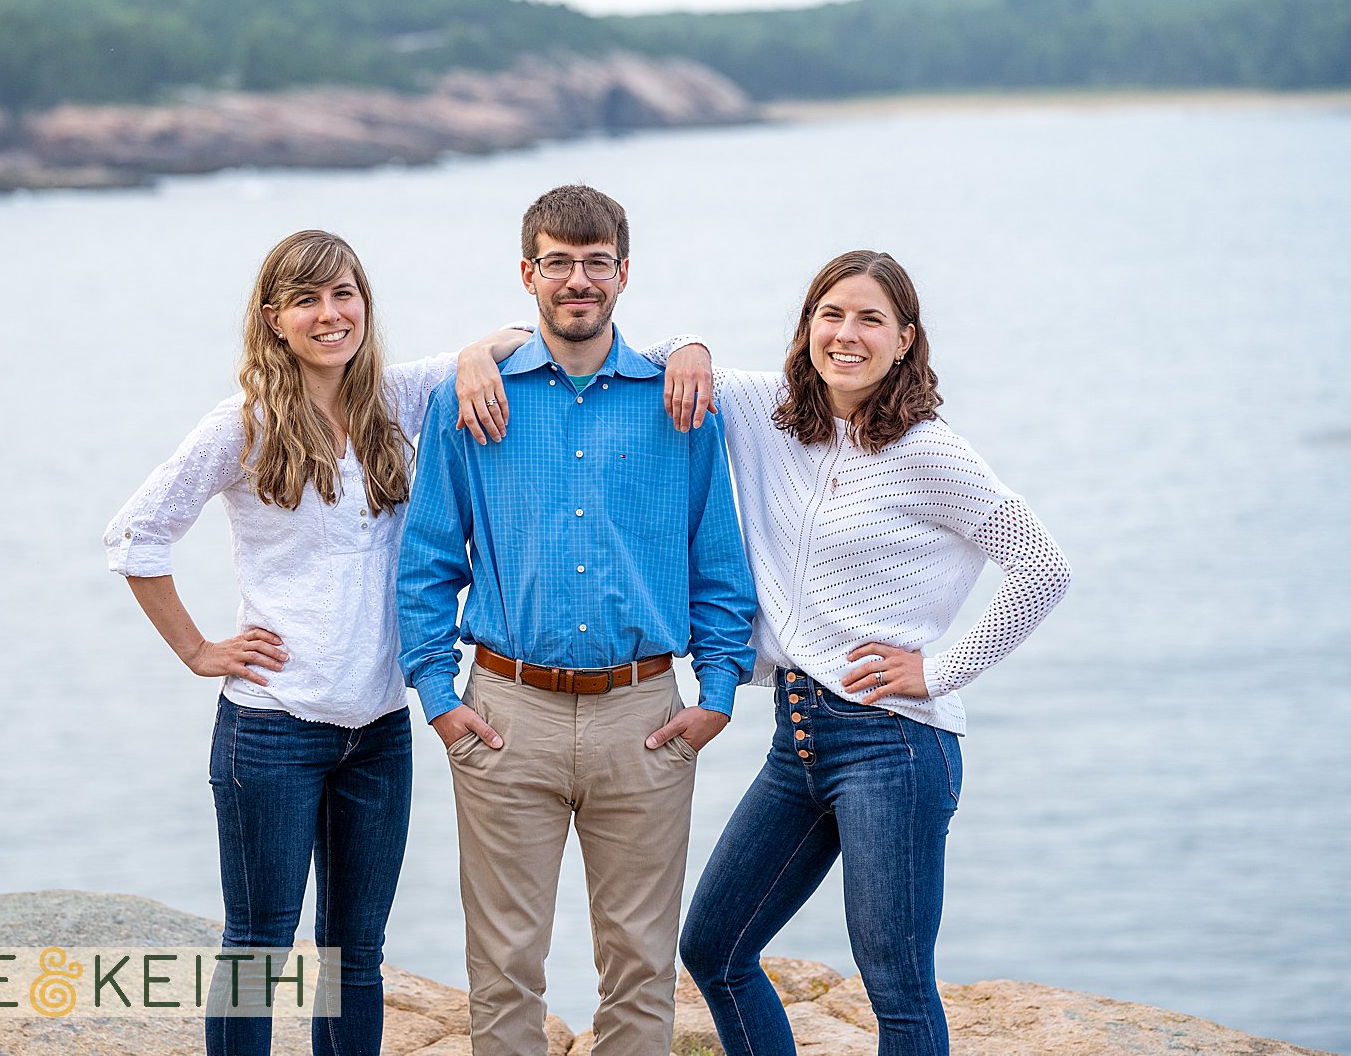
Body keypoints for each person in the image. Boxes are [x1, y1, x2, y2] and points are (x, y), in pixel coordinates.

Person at [102, 229, 530, 1056]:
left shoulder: (399, 398)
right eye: (307, 301)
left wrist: (476, 353)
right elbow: (134, 536)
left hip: (378, 728)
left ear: (365, 303)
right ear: (274, 320)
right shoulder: (243, 425)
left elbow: (524, 338)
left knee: (354, 957)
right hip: (272, 728)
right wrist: (199, 650)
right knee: (259, 947)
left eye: (344, 295)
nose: (330, 315)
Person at [650, 250, 1072, 1056]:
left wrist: (938, 669)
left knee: (897, 988)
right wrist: (692, 342)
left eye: (871, 319)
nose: (847, 334)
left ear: (906, 339)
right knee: (714, 946)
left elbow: (1043, 566)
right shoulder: (766, 411)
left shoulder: (929, 451)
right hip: (797, 738)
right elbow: (653, 358)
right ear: (808, 324)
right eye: (831, 314)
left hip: (895, 745)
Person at [397, 185, 758, 1055]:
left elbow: (718, 563)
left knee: (640, 967)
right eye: (558, 262)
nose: (578, 280)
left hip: (645, 718)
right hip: (502, 714)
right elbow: (428, 563)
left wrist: (716, 694)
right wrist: (440, 698)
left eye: (597, 263)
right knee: (504, 967)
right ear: (528, 273)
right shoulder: (471, 400)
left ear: (624, 274)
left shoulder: (682, 402)